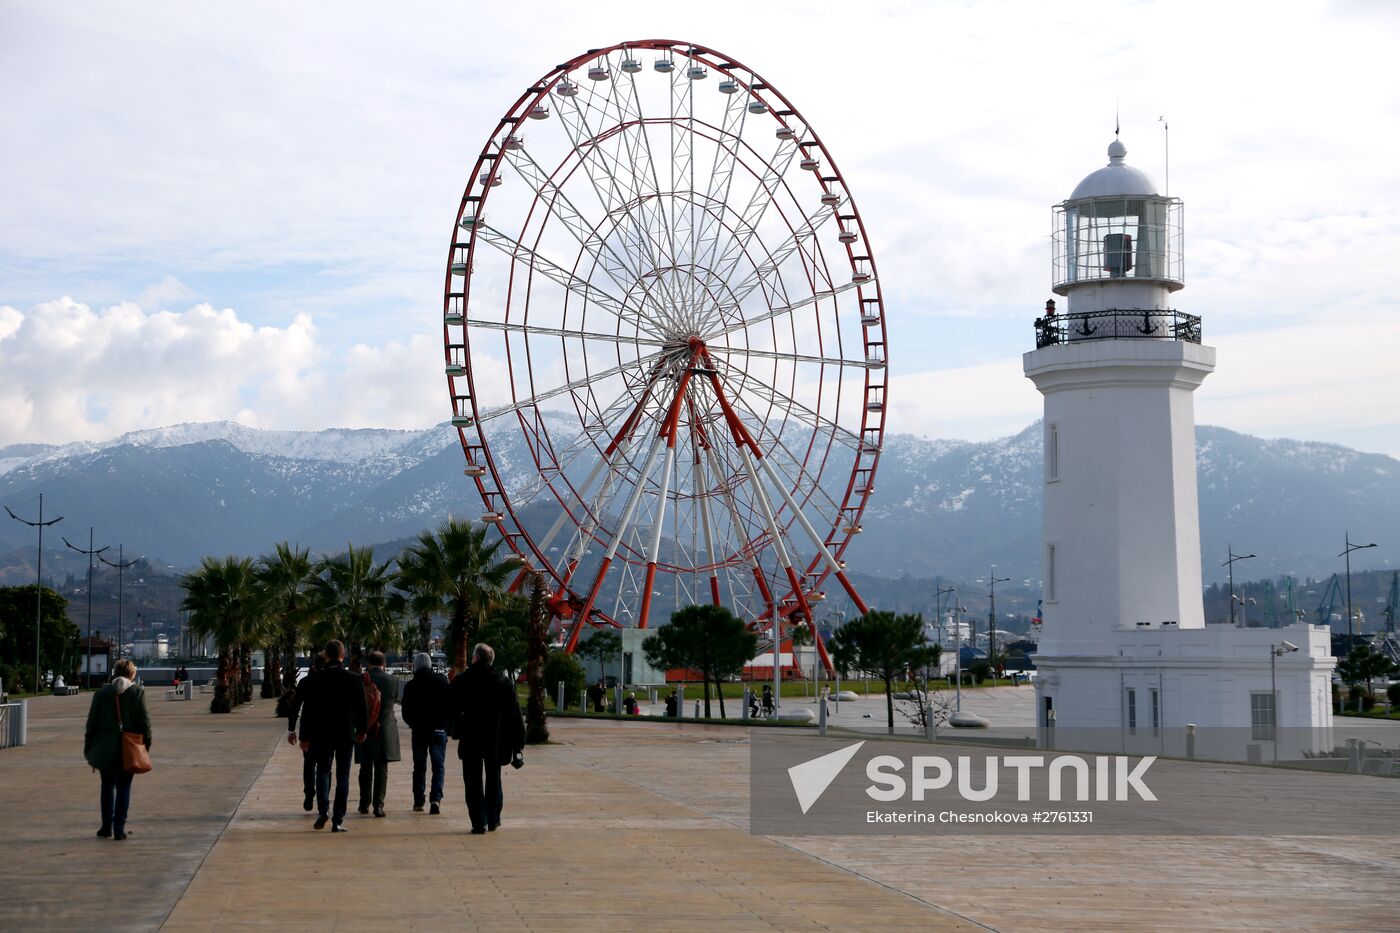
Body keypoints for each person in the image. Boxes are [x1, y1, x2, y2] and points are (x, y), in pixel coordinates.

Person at [287, 640, 367, 832]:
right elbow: (361, 708)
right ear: (343, 655)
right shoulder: (354, 679)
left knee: (322, 771)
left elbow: (301, 708)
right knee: (343, 775)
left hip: (320, 734)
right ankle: (338, 819)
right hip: (345, 733)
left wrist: (295, 731)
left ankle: (323, 810)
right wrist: (362, 730)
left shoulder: (311, 680)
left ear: (326, 655)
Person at [449, 643, 524, 834]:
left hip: (471, 738)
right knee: (494, 779)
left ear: (475, 658)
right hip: (495, 739)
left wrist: (454, 729)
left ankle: (478, 821)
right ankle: (493, 818)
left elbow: (451, 710)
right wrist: (518, 743)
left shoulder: (462, 680)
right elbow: (514, 714)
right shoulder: (502, 682)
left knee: (472, 781)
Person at [84, 659, 151, 841]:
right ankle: (119, 829)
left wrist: (89, 749)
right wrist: (145, 747)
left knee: (107, 786)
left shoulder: (100, 694)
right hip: (127, 749)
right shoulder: (137, 693)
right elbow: (145, 724)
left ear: (114, 672)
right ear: (132, 674)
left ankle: (106, 826)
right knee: (124, 787)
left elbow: (91, 725)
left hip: (104, 749)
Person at [401, 651, 452, 814]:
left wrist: (414, 724)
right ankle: (435, 799)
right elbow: (450, 705)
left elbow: (406, 712)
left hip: (419, 731)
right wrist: (445, 724)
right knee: (438, 766)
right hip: (438, 729)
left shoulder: (410, 686)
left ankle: (418, 800)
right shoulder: (442, 681)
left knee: (419, 767)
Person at [355, 650, 401, 818]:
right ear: (385, 664)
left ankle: (363, 803)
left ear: (368, 663)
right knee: (382, 768)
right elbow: (394, 700)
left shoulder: (361, 680)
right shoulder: (393, 680)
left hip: (366, 728)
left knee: (365, 768)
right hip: (385, 729)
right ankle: (378, 806)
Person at [286, 655, 325, 812]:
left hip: (308, 730)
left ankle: (309, 793)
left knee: (309, 764)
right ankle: (323, 799)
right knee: (325, 767)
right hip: (327, 730)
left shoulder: (305, 682)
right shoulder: (331, 682)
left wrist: (291, 730)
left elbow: (295, 707)